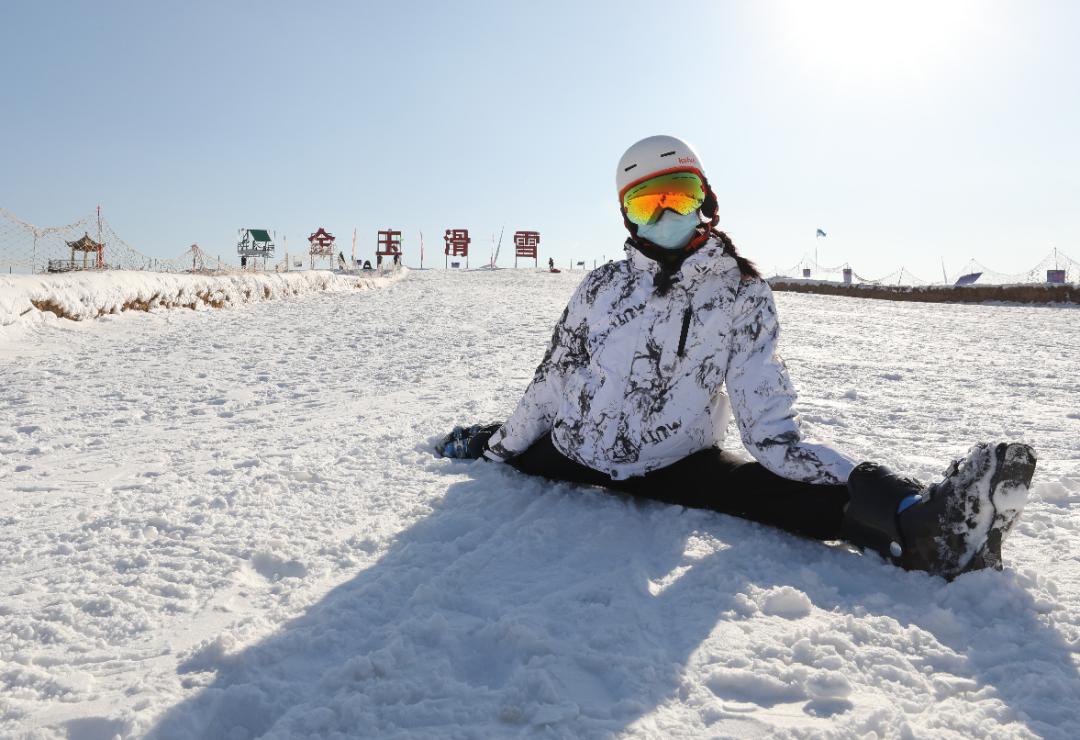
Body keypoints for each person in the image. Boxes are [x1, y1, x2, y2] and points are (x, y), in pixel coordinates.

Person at [437, 135, 1036, 581]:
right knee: (515, 451)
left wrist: (855, 476)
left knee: (772, 493)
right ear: (627, 215)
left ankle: (920, 524)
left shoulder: (741, 294)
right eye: (650, 203)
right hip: (579, 450)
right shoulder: (600, 287)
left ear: (707, 200)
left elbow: (766, 424)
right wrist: (502, 448)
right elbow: (552, 380)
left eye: (681, 195)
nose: (668, 214)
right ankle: (476, 437)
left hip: (674, 459)